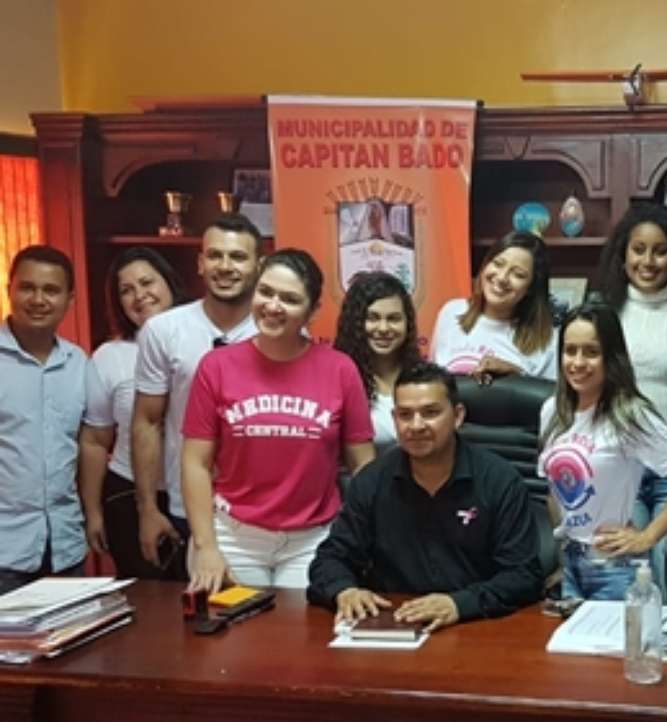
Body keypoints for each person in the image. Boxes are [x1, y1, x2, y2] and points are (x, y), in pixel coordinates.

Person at [181, 249, 375, 592]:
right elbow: (195, 462)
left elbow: (363, 465)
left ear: (313, 310)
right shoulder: (217, 366)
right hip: (234, 535)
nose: (273, 306)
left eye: (290, 299)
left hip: (313, 539)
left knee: (303, 625)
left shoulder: (340, 369)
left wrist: (360, 537)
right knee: (235, 625)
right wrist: (205, 546)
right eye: (266, 292)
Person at [308, 362, 542, 631]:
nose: (416, 426)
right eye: (405, 415)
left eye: (430, 413)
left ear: (457, 416)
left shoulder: (499, 481)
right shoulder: (371, 482)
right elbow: (330, 558)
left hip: (476, 625)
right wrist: (344, 590)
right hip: (396, 624)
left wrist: (459, 604)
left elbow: (523, 575)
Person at [539, 302, 667, 601]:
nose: (578, 362)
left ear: (611, 357)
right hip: (571, 564)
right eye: (570, 350)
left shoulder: (629, 413)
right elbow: (553, 489)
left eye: (591, 352)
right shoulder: (552, 411)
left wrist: (648, 536)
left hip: (614, 568)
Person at [132, 213, 262, 578]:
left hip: (258, 507)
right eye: (215, 255)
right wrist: (147, 508)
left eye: (238, 257)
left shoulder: (277, 329)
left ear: (258, 265)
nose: (226, 266)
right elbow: (146, 422)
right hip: (187, 504)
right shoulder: (163, 330)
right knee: (200, 609)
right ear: (201, 263)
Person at [595, 202, 667, 601]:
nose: (648, 261)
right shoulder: (604, 312)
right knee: (629, 573)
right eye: (638, 249)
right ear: (623, 254)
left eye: (660, 251)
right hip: (619, 465)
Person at [78, 248, 185, 578]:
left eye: (147, 282)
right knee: (147, 599)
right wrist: (93, 513)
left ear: (169, 283)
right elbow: (95, 441)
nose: (140, 295)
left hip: (194, 494)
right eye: (127, 290)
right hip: (128, 494)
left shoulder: (202, 343)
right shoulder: (110, 356)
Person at [0, 246, 87, 595]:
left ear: (69, 299)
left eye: (51, 290)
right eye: (27, 288)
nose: (38, 300)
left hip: (66, 547)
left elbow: (87, 446)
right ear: (9, 289)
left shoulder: (78, 363)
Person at [431, 231, 556, 382]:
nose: (502, 278)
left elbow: (553, 396)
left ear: (531, 288)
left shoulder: (549, 342)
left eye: (518, 274)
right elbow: (431, 381)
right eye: (498, 264)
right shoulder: (451, 312)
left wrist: (515, 375)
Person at [334, 271, 421, 453]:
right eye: (372, 318)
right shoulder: (337, 379)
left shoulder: (422, 376)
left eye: (393, 318)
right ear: (355, 323)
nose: (383, 328)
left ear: (407, 323)